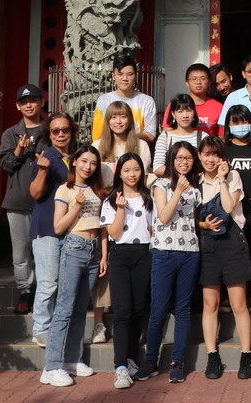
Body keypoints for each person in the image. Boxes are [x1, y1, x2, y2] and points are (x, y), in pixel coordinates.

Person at [133, 142, 202, 384]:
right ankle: (151, 361)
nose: (184, 162)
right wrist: (179, 192)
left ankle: (177, 363)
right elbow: (163, 216)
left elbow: (192, 221)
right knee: (159, 310)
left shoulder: (196, 189)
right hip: (164, 252)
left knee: (183, 310)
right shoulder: (160, 185)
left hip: (190, 252)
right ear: (172, 160)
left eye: (189, 158)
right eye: (180, 158)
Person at [40, 146, 109, 388]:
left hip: (93, 252)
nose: (87, 167)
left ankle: (72, 359)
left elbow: (102, 227)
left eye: (92, 163)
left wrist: (103, 255)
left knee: (81, 309)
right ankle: (51, 366)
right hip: (74, 248)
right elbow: (59, 227)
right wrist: (76, 206)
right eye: (83, 161)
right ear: (75, 163)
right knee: (64, 309)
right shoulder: (65, 189)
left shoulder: (97, 190)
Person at [196, 135, 251, 380]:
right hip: (208, 244)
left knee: (238, 304)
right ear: (199, 156)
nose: (210, 159)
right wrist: (202, 224)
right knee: (210, 304)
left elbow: (230, 207)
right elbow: (193, 219)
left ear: (223, 157)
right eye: (206, 154)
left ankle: (246, 356)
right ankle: (212, 357)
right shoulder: (194, 181)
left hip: (233, 243)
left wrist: (222, 179)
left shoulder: (233, 176)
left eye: (215, 154)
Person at [100, 153, 153, 389]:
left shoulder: (149, 197)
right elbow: (114, 234)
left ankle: (131, 358)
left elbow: (153, 227)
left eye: (136, 169)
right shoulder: (111, 200)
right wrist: (121, 209)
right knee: (122, 311)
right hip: (121, 255)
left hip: (145, 254)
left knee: (139, 309)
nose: (132, 175)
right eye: (127, 170)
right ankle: (120, 366)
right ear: (119, 173)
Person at [28, 112, 78, 347]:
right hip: (47, 228)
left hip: (72, 229)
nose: (60, 134)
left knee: (65, 284)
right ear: (49, 134)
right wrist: (42, 171)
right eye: (55, 131)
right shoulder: (45, 157)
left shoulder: (77, 157)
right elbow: (35, 194)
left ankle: (57, 329)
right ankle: (40, 329)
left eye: (65, 130)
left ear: (72, 132)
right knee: (48, 282)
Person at [0, 83, 47, 315]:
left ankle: (46, 291)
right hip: (17, 201)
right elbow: (6, 166)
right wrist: (18, 149)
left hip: (46, 202)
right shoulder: (10, 133)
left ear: (42, 102)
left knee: (44, 249)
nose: (29, 105)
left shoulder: (51, 130)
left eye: (33, 100)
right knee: (20, 253)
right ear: (18, 106)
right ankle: (26, 291)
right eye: (24, 102)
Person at [223, 105, 251, 313]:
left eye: (243, 121)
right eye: (235, 122)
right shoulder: (223, 149)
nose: (240, 126)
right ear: (228, 125)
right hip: (228, 212)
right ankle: (226, 297)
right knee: (229, 255)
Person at [92, 55, 157, 145]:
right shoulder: (104, 100)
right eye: (120, 74)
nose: (125, 78)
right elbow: (98, 134)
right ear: (113, 76)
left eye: (130, 74)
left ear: (135, 76)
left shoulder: (147, 101)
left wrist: (125, 138)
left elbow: (151, 135)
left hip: (136, 152)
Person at [93, 100, 152, 181]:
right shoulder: (97, 145)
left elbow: (143, 177)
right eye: (113, 117)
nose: (118, 122)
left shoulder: (142, 145)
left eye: (123, 117)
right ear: (108, 121)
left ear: (130, 120)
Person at [164, 64, 224, 136]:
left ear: (209, 82)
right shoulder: (176, 104)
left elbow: (221, 137)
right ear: (187, 83)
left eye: (203, 78)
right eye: (194, 79)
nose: (198, 82)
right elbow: (167, 130)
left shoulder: (219, 107)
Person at [153, 94, 201, 177]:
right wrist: (180, 174)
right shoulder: (165, 137)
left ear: (194, 112)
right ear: (173, 114)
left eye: (189, 110)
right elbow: (157, 168)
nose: (185, 115)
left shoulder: (203, 137)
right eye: (180, 111)